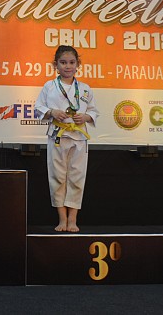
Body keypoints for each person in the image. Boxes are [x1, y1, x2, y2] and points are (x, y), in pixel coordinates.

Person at [35, 45, 99, 233]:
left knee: (77, 176)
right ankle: (62, 218)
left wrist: (85, 117)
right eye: (63, 62)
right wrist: (52, 112)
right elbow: (38, 107)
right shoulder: (49, 86)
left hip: (78, 136)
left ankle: (73, 218)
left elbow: (94, 111)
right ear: (55, 65)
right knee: (57, 176)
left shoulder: (85, 89)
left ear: (78, 64)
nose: (68, 66)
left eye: (71, 62)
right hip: (57, 135)